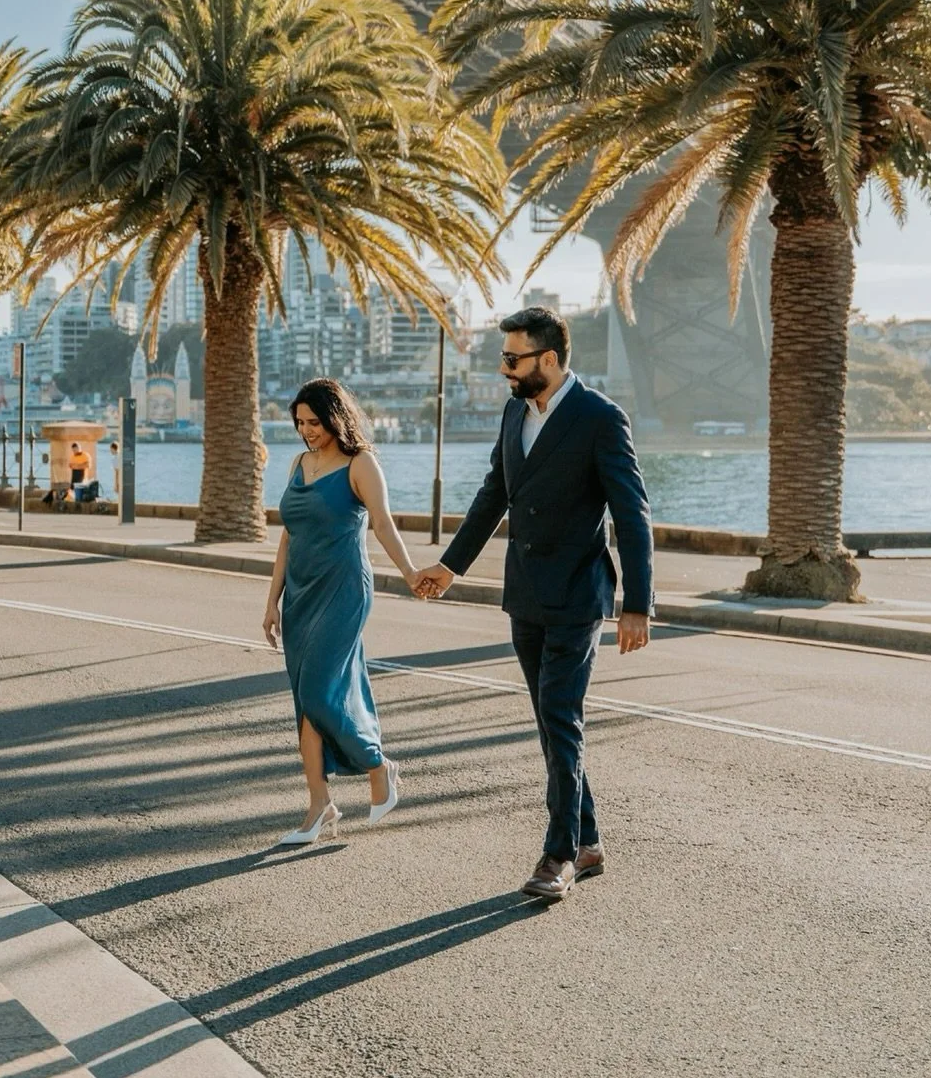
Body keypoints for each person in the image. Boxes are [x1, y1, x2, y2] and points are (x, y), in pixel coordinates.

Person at [415, 306, 653, 903]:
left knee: (560, 719)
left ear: (548, 359)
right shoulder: (513, 411)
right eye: (504, 358)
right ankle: (589, 838)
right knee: (552, 725)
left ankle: (559, 855)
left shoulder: (600, 418)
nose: (504, 369)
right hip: (523, 592)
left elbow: (632, 512)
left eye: (513, 358)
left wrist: (637, 602)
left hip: (577, 593)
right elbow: (494, 493)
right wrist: (450, 566)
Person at [264, 378, 422, 846]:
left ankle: (378, 766)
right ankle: (319, 804)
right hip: (300, 594)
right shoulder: (298, 463)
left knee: (318, 692)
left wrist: (412, 573)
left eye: (315, 422)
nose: (307, 431)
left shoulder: (360, 463)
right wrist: (271, 599)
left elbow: (383, 524)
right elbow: (288, 536)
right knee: (305, 700)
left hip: (344, 590)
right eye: (300, 423)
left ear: (336, 418)